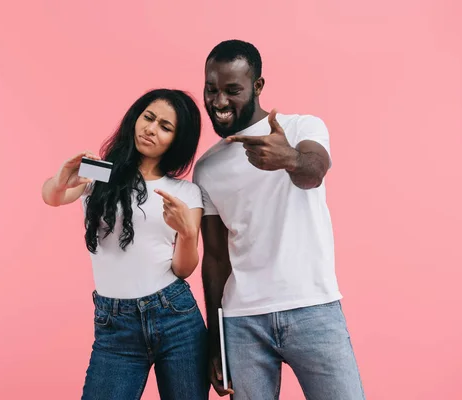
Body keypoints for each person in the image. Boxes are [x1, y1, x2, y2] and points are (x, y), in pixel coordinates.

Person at [193, 40, 365, 399]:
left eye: (232, 90)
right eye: (211, 89)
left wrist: (288, 158)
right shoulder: (208, 167)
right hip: (243, 323)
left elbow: (313, 173)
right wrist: (216, 338)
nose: (219, 101)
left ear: (257, 87)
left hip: (313, 310)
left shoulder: (302, 128)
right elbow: (214, 258)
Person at [41, 89, 209, 400]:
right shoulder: (101, 172)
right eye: (149, 118)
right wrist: (62, 176)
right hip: (115, 324)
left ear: (177, 140)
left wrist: (187, 234)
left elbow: (183, 269)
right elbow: (53, 197)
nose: (151, 129)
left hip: (175, 316)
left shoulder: (186, 192)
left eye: (165, 127)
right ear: (136, 118)